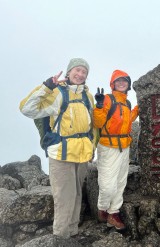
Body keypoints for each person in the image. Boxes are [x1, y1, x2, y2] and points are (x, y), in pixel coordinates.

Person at [19, 58, 95, 238]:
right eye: (77, 70)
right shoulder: (57, 93)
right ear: (68, 72)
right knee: (64, 197)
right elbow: (27, 109)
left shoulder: (87, 96)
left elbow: (92, 126)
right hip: (61, 153)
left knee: (77, 195)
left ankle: (72, 233)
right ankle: (61, 237)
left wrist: (92, 148)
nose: (80, 74)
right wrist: (46, 86)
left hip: (82, 153)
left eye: (84, 72)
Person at [93, 69, 139, 230]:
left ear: (128, 84)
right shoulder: (107, 99)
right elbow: (98, 123)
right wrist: (98, 107)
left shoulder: (127, 103)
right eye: (118, 81)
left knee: (120, 182)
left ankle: (114, 212)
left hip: (124, 146)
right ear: (112, 83)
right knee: (107, 184)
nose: (121, 83)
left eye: (124, 81)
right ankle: (102, 209)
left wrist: (139, 108)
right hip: (108, 146)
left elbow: (128, 120)